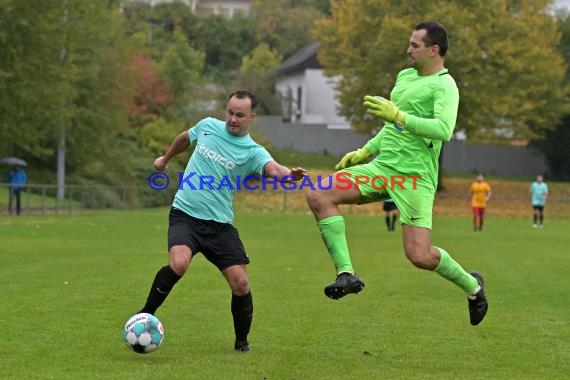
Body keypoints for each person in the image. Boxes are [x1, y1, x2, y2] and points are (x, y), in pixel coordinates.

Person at [306, 21, 488, 326]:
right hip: (382, 168)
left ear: (434, 50)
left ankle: (473, 287)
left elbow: (443, 129)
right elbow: (392, 126)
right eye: (409, 44)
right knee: (318, 192)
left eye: (415, 45)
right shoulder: (404, 76)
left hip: (414, 178)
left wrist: (399, 115)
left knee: (420, 256)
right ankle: (346, 273)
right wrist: (365, 151)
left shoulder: (445, 85)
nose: (408, 50)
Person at [137, 90, 307, 352]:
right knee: (179, 263)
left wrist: (289, 175)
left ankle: (242, 343)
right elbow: (184, 138)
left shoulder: (253, 151)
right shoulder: (207, 127)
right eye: (229, 112)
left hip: (219, 226)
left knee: (241, 283)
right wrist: (166, 158)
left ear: (251, 117)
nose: (232, 119)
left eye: (240, 115)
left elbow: (273, 168)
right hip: (186, 214)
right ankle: (145, 315)